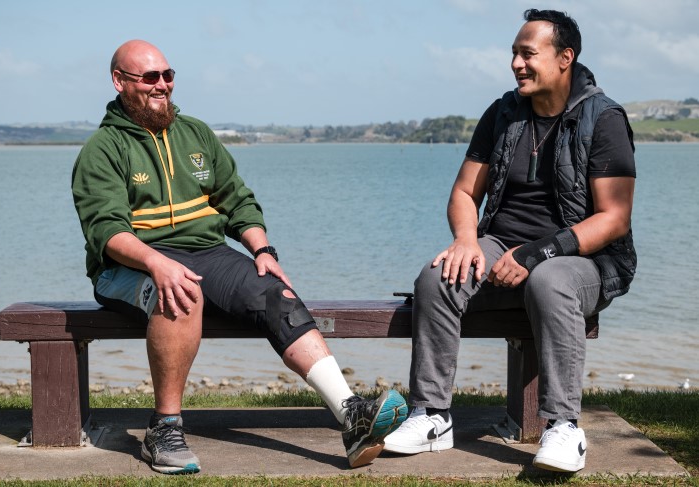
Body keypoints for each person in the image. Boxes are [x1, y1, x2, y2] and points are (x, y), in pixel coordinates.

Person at [71, 39, 407, 474]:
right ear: (119, 82)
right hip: (128, 265)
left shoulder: (196, 133)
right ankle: (164, 429)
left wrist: (261, 249)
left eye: (168, 76)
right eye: (149, 77)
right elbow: (106, 231)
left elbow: (237, 201)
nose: (162, 85)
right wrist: (156, 262)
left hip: (208, 252)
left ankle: (352, 415)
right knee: (180, 291)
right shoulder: (102, 148)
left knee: (275, 294)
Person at [384, 9, 636, 473]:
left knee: (551, 281)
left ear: (565, 58)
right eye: (514, 55)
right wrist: (466, 239)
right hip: (501, 244)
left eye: (528, 54)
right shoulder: (502, 113)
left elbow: (614, 218)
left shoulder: (604, 119)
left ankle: (563, 427)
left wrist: (538, 253)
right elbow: (464, 191)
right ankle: (432, 417)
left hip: (583, 258)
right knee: (437, 277)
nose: (517, 64)